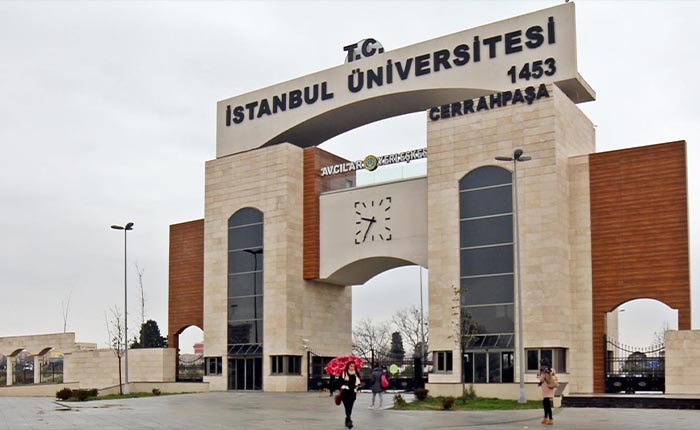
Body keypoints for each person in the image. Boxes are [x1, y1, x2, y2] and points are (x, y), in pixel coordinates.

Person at [340, 362, 362, 429]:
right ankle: (349, 422)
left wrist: (359, 389)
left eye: (353, 366)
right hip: (345, 394)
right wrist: (344, 380)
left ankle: (347, 419)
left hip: (352, 394)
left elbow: (359, 383)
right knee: (347, 407)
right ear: (348, 366)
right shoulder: (343, 373)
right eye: (351, 366)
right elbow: (338, 383)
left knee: (350, 408)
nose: (352, 367)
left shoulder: (356, 374)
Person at [537, 358, 556, 425]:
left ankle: (550, 419)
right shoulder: (552, 369)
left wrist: (538, 376)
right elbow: (553, 375)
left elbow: (542, 379)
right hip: (550, 387)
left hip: (546, 388)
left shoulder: (544, 370)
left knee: (547, 404)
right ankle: (546, 418)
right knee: (546, 402)